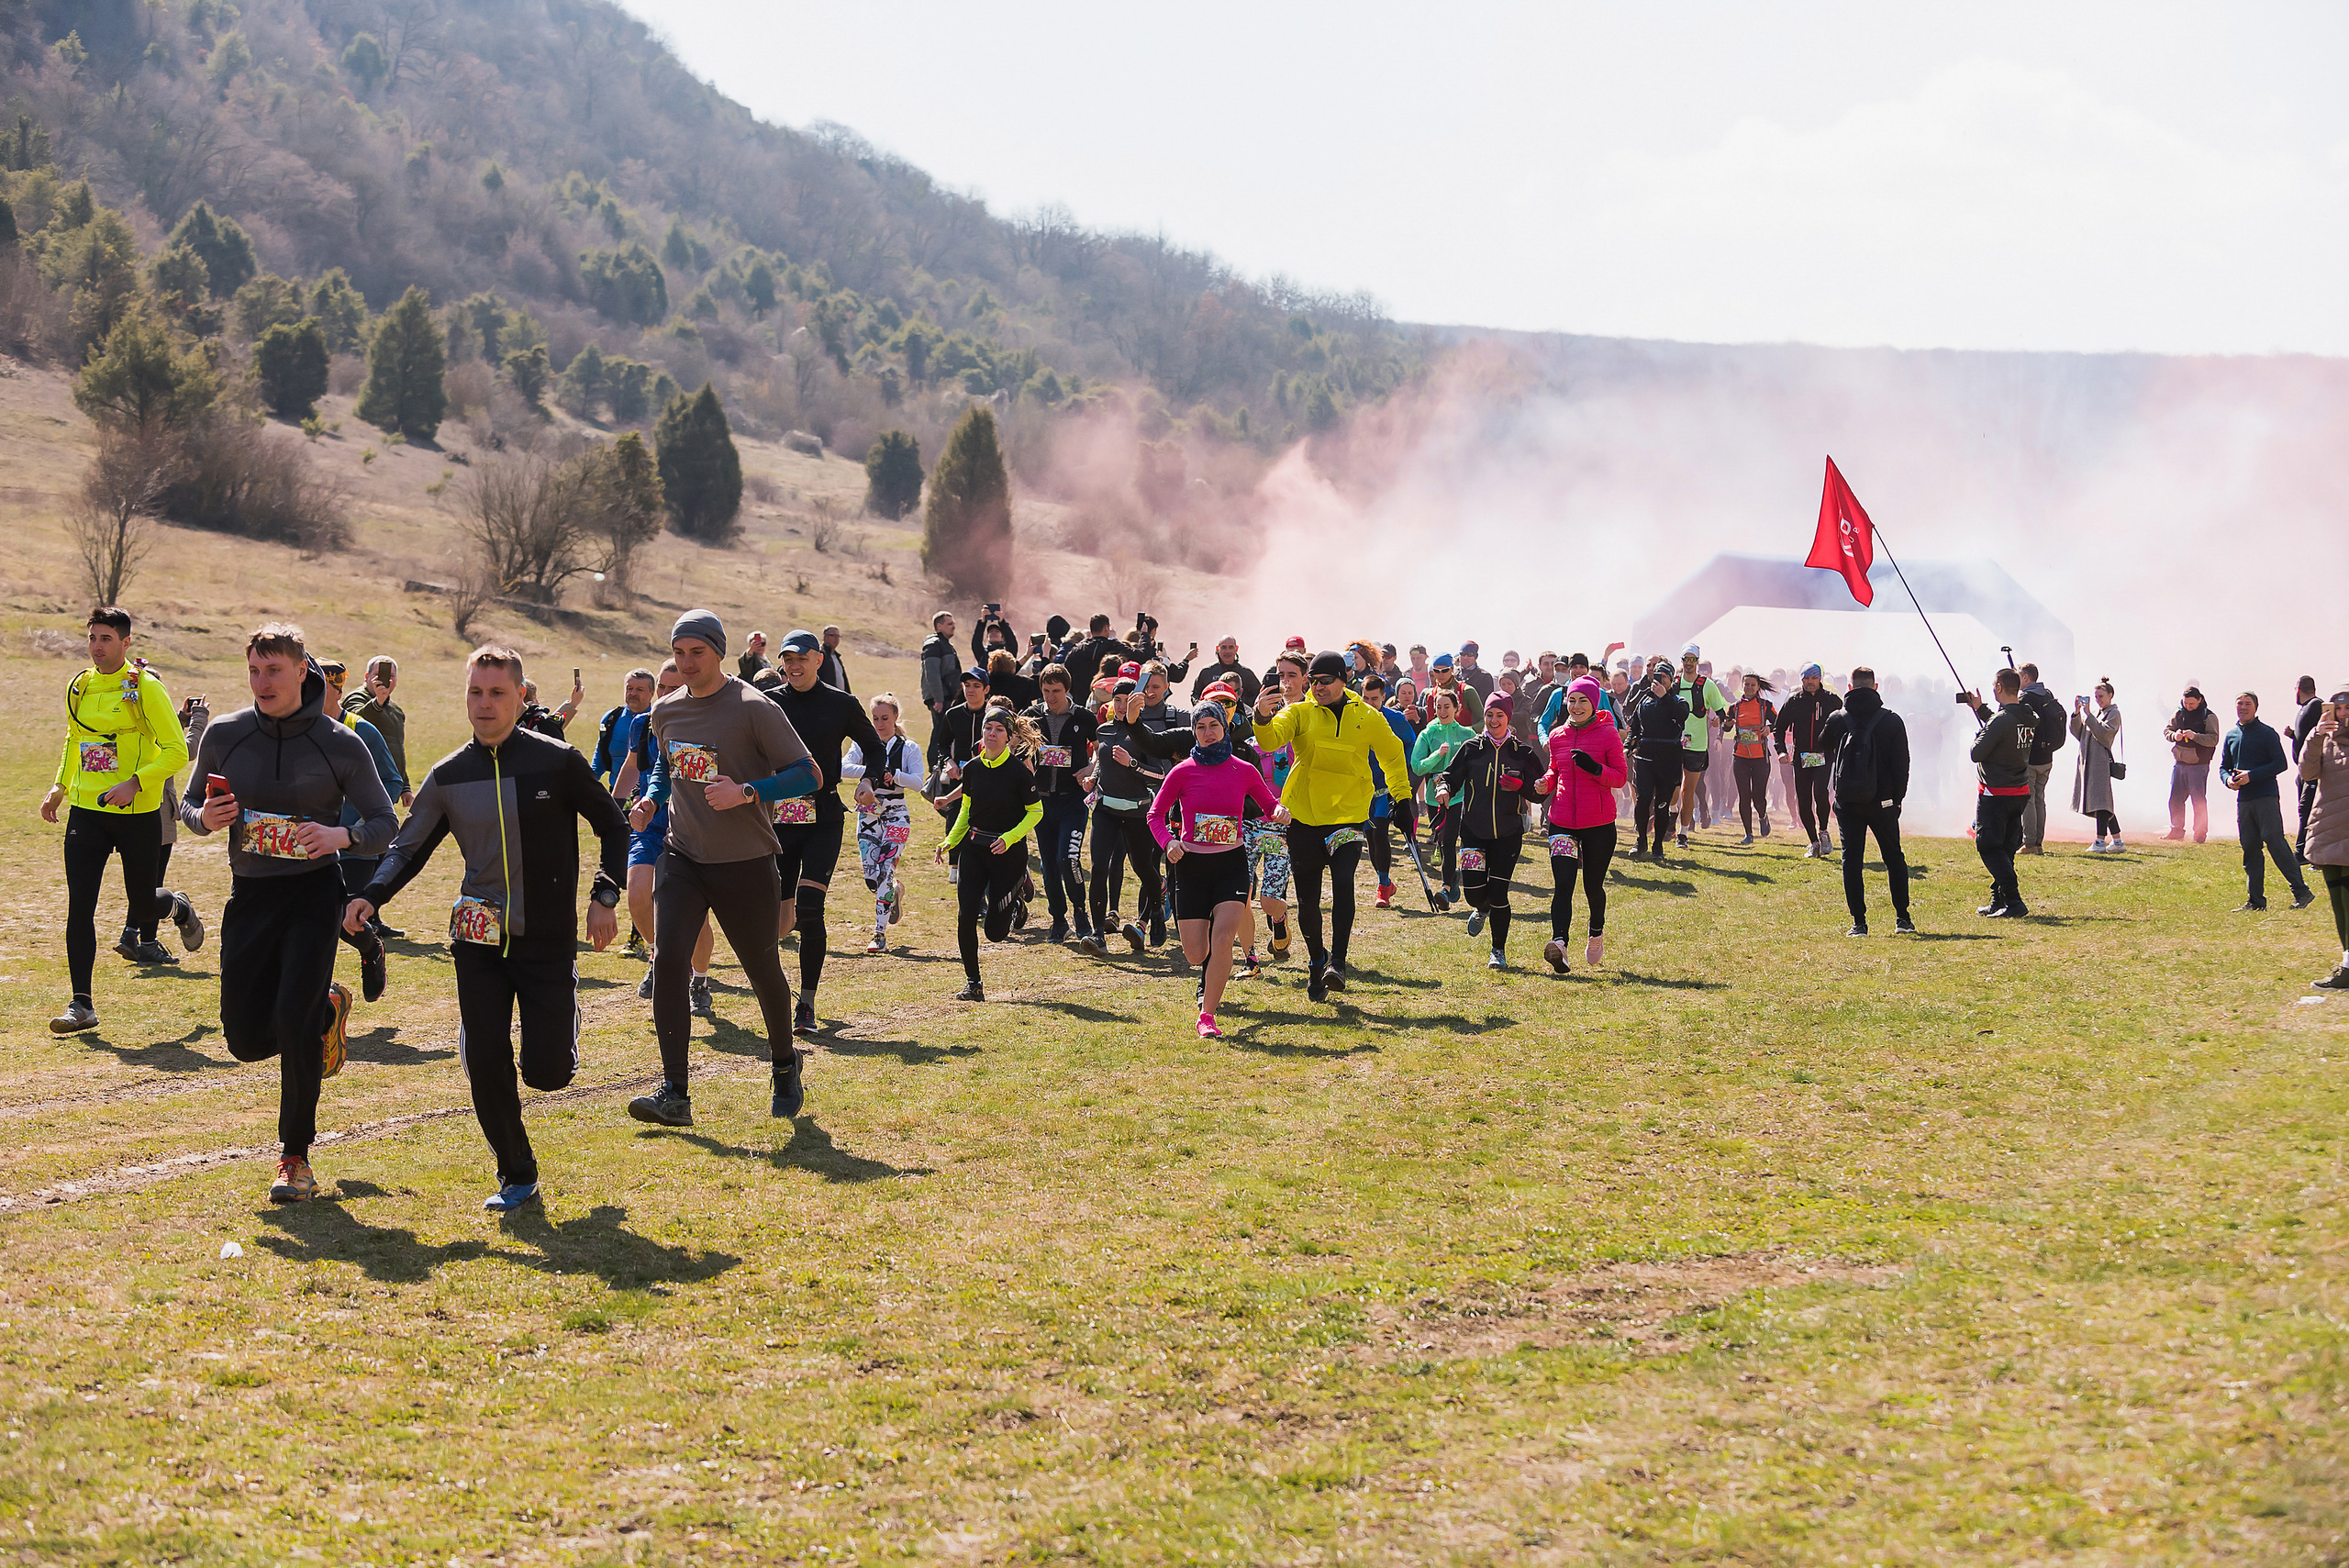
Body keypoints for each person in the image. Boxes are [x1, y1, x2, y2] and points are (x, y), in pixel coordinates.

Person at [344, 647, 628, 1211]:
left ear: (520, 698)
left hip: (546, 938)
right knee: (486, 1057)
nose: (484, 703)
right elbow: (408, 848)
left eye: (497, 693)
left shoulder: (556, 761)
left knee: (547, 1073)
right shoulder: (449, 774)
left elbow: (613, 826)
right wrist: (370, 896)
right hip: (476, 937)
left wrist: (605, 894)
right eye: (476, 692)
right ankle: (516, 1173)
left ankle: (554, 1037)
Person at [182, 623, 399, 1202]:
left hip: (312, 895)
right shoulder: (226, 734)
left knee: (292, 1022)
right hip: (250, 896)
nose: (262, 682)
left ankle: (295, 1157)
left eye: (274, 670)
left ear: (303, 671)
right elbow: (189, 804)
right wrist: (206, 818)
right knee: (244, 1038)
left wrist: (340, 836)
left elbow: (385, 823)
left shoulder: (339, 742)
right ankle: (327, 1009)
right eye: (254, 671)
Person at [626, 610, 821, 1129]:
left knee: (762, 970)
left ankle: (785, 1064)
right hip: (683, 855)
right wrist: (651, 799)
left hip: (745, 861)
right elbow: (666, 765)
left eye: (697, 652)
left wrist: (748, 791)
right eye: (679, 653)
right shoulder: (665, 709)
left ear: (718, 652)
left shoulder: (754, 707)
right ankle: (674, 1093)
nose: (687, 663)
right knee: (669, 962)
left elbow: (809, 774)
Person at [42, 607, 204, 1032]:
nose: (97, 647)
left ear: (126, 643)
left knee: (143, 905)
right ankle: (82, 1005)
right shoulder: (80, 685)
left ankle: (176, 906)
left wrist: (136, 782)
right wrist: (59, 786)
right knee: (80, 907)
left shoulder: (146, 687)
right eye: (92, 638)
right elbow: (75, 739)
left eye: (106, 639)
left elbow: (177, 751)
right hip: (87, 813)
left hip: (136, 814)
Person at [1251, 651, 1409, 1002]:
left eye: (1325, 681)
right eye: (1314, 681)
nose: (1318, 687)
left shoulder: (1367, 716)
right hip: (1304, 818)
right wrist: (1261, 717)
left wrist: (1403, 799)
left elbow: (1393, 756)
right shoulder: (1300, 712)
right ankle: (1316, 961)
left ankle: (1337, 961)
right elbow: (1270, 740)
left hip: (1348, 816)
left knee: (1343, 884)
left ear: (1343, 679)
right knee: (1307, 900)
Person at [759, 628, 886, 1036]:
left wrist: (868, 780)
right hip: (778, 820)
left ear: (819, 660)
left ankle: (807, 1005)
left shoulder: (841, 703)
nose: (794, 666)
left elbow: (875, 747)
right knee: (777, 918)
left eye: (802, 658)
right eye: (787, 659)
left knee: (811, 909)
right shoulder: (768, 702)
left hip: (824, 818)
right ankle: (776, 997)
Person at [1151, 702, 1281, 1035]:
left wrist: (1280, 812)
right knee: (1196, 954)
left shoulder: (1243, 769)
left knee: (1223, 939)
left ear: (1225, 728)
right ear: (1194, 732)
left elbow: (1269, 805)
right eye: (1200, 727)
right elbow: (1155, 815)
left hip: (1231, 865)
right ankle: (1208, 945)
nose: (1208, 733)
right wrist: (1169, 843)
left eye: (1214, 726)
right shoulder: (1182, 771)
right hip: (1191, 867)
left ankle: (1206, 1016)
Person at [615, 662, 718, 1008]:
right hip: (650, 822)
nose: (666, 694)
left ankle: (699, 981)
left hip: (690, 825)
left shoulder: (701, 723)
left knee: (696, 916)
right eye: (662, 687)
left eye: (675, 688)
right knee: (637, 895)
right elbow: (633, 766)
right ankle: (660, 958)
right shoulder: (642, 723)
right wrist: (613, 808)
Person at [936, 706, 1042, 1001]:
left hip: (1008, 855)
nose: (992, 734)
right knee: (966, 915)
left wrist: (1009, 838)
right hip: (974, 850)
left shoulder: (1019, 772)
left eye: (999, 730)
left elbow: (1036, 812)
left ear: (1009, 737)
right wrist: (950, 841)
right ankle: (974, 984)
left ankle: (1017, 895)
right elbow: (966, 810)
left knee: (995, 933)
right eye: (987, 728)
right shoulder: (972, 768)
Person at [1433, 689, 1542, 968]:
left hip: (1508, 834)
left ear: (1508, 718)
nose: (1494, 720)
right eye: (1490, 715)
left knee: (1498, 893)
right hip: (1473, 832)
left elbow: (1541, 792)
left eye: (1499, 715)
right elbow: (1449, 777)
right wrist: (1443, 789)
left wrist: (1523, 787)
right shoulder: (1471, 748)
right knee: (1474, 894)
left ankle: (1498, 951)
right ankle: (1481, 909)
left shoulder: (1522, 753)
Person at [317, 660, 400, 997]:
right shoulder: (301, 731)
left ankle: (370, 948)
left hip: (356, 847)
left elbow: (392, 781)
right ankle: (317, 995)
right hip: (314, 845)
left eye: (318, 686)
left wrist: (364, 825)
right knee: (318, 917)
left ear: (337, 690)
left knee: (345, 918)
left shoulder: (361, 730)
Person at [1536, 676, 1627, 973]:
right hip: (1562, 820)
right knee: (1563, 884)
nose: (1576, 706)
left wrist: (1595, 768)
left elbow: (1620, 777)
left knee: (1592, 886)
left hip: (1598, 823)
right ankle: (1559, 944)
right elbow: (1555, 770)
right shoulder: (1557, 736)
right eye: (1572, 700)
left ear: (1594, 704)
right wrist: (1545, 782)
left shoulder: (1608, 734)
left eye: (1582, 701)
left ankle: (1596, 932)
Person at [1819, 667, 1912, 935]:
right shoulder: (1891, 720)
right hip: (1883, 801)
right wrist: (1897, 799)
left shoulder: (1838, 718)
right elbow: (1902, 764)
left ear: (1849, 688)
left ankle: (1858, 923)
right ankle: (1903, 919)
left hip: (1848, 802)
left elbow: (1823, 744)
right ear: (1875, 687)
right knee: (1893, 857)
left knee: (1851, 859)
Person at [1080, 671, 1166, 955]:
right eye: (1117, 700)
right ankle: (1098, 935)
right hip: (1105, 809)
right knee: (1099, 868)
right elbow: (1102, 761)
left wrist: (1132, 765)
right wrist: (1093, 778)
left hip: (1138, 813)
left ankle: (1157, 908)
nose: (1120, 706)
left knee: (1143, 868)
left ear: (1138, 702)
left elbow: (1160, 775)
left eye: (1127, 700)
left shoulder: (1146, 734)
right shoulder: (1103, 730)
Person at [841, 694, 926, 954]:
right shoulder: (863, 745)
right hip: (868, 814)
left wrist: (895, 775)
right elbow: (842, 768)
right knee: (871, 877)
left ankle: (879, 934)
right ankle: (895, 891)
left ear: (896, 717)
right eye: (875, 718)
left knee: (884, 871)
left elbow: (919, 782)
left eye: (885, 718)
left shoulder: (908, 748)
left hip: (896, 813)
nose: (879, 724)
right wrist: (873, 772)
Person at [2221, 692, 2315, 913]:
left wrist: (2251, 775)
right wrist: (2228, 780)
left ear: (2256, 708)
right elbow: (2224, 767)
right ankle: (2256, 901)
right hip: (2244, 801)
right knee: (2250, 848)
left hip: (2266, 797)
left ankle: (2301, 892)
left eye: (2247, 704)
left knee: (2276, 844)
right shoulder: (2231, 735)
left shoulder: (2267, 733)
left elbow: (2280, 763)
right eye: (2239, 704)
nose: (2243, 707)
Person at [1023, 663, 1097, 946]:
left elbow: (1101, 748)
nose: (1050, 697)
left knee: (1068, 859)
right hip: (1042, 802)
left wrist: (1090, 767)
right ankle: (1058, 920)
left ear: (1067, 690)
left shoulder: (1083, 717)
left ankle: (1081, 914)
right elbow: (1018, 747)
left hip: (1073, 801)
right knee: (1049, 865)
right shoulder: (1032, 716)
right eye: (1046, 690)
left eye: (1056, 691)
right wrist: (1026, 765)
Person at [137, 689, 211, 958]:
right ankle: (148, 939)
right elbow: (185, 751)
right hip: (157, 810)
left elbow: (158, 735)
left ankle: (135, 936)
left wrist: (179, 719)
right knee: (152, 882)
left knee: (140, 879)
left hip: (129, 810)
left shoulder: (127, 721)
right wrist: (199, 718)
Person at [1965, 669, 2036, 918]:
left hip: (1996, 792)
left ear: (1999, 687)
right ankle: (1999, 900)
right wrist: (1980, 709)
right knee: (2006, 848)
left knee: (1988, 845)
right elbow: (2005, 724)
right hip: (2019, 790)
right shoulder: (2028, 714)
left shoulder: (2001, 720)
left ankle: (2014, 900)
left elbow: (1976, 753)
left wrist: (1981, 733)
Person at [2298, 687, 2349, 989]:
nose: (2342, 714)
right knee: (2339, 903)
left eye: (2347, 708)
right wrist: (2316, 735)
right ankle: (2347, 963)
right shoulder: (2324, 739)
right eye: (2338, 709)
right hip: (2329, 829)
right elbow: (2308, 773)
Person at [1409, 687, 1475, 900]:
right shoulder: (1427, 734)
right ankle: (1453, 877)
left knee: (1449, 840)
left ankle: (1445, 889)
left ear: (1457, 708)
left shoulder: (1467, 734)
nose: (1442, 711)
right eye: (1438, 707)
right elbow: (1417, 766)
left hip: (1459, 796)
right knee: (1441, 840)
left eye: (1447, 706)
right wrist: (1437, 755)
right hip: (1434, 797)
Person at [1773, 664, 1842, 858]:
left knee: (1820, 794)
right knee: (1803, 800)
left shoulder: (1832, 700)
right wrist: (1781, 751)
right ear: (1801, 680)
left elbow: (1845, 724)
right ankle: (1813, 842)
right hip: (1801, 757)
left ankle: (1824, 831)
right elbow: (1779, 728)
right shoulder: (1794, 701)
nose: (1810, 682)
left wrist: (1837, 746)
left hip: (1823, 756)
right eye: (1806, 678)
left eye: (1813, 678)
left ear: (1820, 679)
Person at [1362, 673, 1417, 908]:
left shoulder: (1395, 719)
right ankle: (1385, 881)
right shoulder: (1355, 718)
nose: (1369, 703)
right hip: (1363, 789)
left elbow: (1411, 744)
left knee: (1380, 833)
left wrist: (1402, 768)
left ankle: (1383, 887)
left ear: (1383, 697)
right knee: (1370, 840)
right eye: (1365, 698)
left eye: (1374, 699)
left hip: (1386, 788)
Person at [1627, 662, 1689, 862]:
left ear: (1671, 680)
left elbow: (1681, 716)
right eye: (1657, 676)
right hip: (1645, 759)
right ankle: (1641, 840)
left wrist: (1664, 697)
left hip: (1669, 760)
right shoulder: (1644, 701)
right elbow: (1634, 727)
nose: (1659, 680)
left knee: (1662, 805)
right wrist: (1628, 745)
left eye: (1664, 677)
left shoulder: (1678, 700)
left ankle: (1658, 845)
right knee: (1643, 801)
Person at [2015, 662, 2070, 857]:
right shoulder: (2047, 694)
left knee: (2028, 800)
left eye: (2019, 676)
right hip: (2047, 757)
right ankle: (2038, 843)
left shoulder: (2026, 698)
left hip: (2031, 757)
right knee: (2039, 799)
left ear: (2026, 677)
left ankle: (2029, 843)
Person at [342, 656, 411, 806]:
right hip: (365, 784)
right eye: (377, 675)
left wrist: (405, 786)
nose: (385, 680)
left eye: (390, 676)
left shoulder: (395, 710)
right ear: (367, 677)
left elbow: (396, 749)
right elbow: (355, 721)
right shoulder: (356, 698)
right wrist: (377, 703)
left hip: (387, 783)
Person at [1675, 648, 1724, 847]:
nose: (1689, 663)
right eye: (1685, 659)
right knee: (1673, 787)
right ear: (1681, 660)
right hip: (1674, 742)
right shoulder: (1674, 684)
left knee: (1688, 789)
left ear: (1697, 660)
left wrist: (1717, 721)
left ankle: (1683, 833)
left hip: (1697, 744)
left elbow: (1721, 712)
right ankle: (1672, 813)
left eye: (1692, 659)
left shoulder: (1707, 685)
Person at [2070, 680, 2125, 851]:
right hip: (2088, 762)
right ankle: (2117, 841)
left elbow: (2104, 734)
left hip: (2100, 762)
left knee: (2101, 802)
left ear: (2110, 695)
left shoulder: (2114, 713)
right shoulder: (2094, 713)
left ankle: (2100, 841)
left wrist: (2089, 715)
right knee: (2103, 802)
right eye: (2095, 697)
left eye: (2101, 696)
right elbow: (2078, 733)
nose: (2098, 700)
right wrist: (2077, 713)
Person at [1726, 673, 1779, 844]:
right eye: (1746, 684)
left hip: (1760, 758)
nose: (1749, 687)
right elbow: (1726, 727)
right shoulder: (1734, 707)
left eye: (1752, 685)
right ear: (1742, 685)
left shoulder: (1765, 706)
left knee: (1758, 796)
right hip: (1740, 757)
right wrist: (1727, 724)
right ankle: (1748, 834)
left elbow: (1778, 722)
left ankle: (1763, 816)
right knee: (1744, 796)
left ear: (1758, 687)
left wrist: (1769, 728)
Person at [2164, 687, 2221, 842]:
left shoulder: (2208, 716)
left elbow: (2213, 739)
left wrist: (2195, 736)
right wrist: (2174, 736)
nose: (2188, 706)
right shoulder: (2178, 713)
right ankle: (2176, 830)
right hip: (2179, 763)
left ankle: (2200, 833)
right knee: (2175, 799)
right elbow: (2167, 731)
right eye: (2186, 703)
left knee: (2198, 800)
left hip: (2199, 765)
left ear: (2200, 700)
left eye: (2191, 703)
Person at [589, 667, 657, 794]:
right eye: (629, 688)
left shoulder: (658, 721)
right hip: (616, 794)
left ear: (652, 693)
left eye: (639, 689)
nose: (633, 693)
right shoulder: (611, 718)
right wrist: (587, 784)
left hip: (647, 796)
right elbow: (599, 759)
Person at [2290, 675, 2323, 863]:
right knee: (2304, 809)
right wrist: (2293, 735)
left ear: (2298, 689)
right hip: (2303, 770)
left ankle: (2302, 852)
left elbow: (2321, 735)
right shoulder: (2306, 708)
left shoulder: (2316, 705)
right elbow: (2307, 736)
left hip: (2313, 769)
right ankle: (2305, 851)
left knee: (2307, 809)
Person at [918, 611, 963, 751]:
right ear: (939, 626)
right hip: (942, 697)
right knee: (941, 730)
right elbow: (932, 673)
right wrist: (938, 699)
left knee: (944, 730)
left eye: (953, 624)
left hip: (946, 695)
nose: (953, 627)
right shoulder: (934, 645)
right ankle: (934, 761)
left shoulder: (944, 644)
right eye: (949, 624)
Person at [1190, 637, 1261, 708]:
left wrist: (1238, 703)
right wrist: (1201, 705)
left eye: (1231, 647)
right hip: (1212, 713)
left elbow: (1258, 696)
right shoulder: (1207, 672)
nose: (1227, 651)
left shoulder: (1246, 673)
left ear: (1236, 649)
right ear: (1217, 649)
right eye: (1224, 647)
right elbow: (1195, 694)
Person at [1454, 641, 1495, 705]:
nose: (1465, 657)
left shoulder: (1484, 677)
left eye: (1470, 654)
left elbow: (1486, 703)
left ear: (1476, 656)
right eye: (1463, 654)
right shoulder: (1453, 674)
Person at [818, 626, 852, 694]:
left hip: (840, 697)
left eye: (838, 636)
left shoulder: (836, 657)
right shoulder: (820, 655)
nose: (836, 639)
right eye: (832, 635)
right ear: (824, 637)